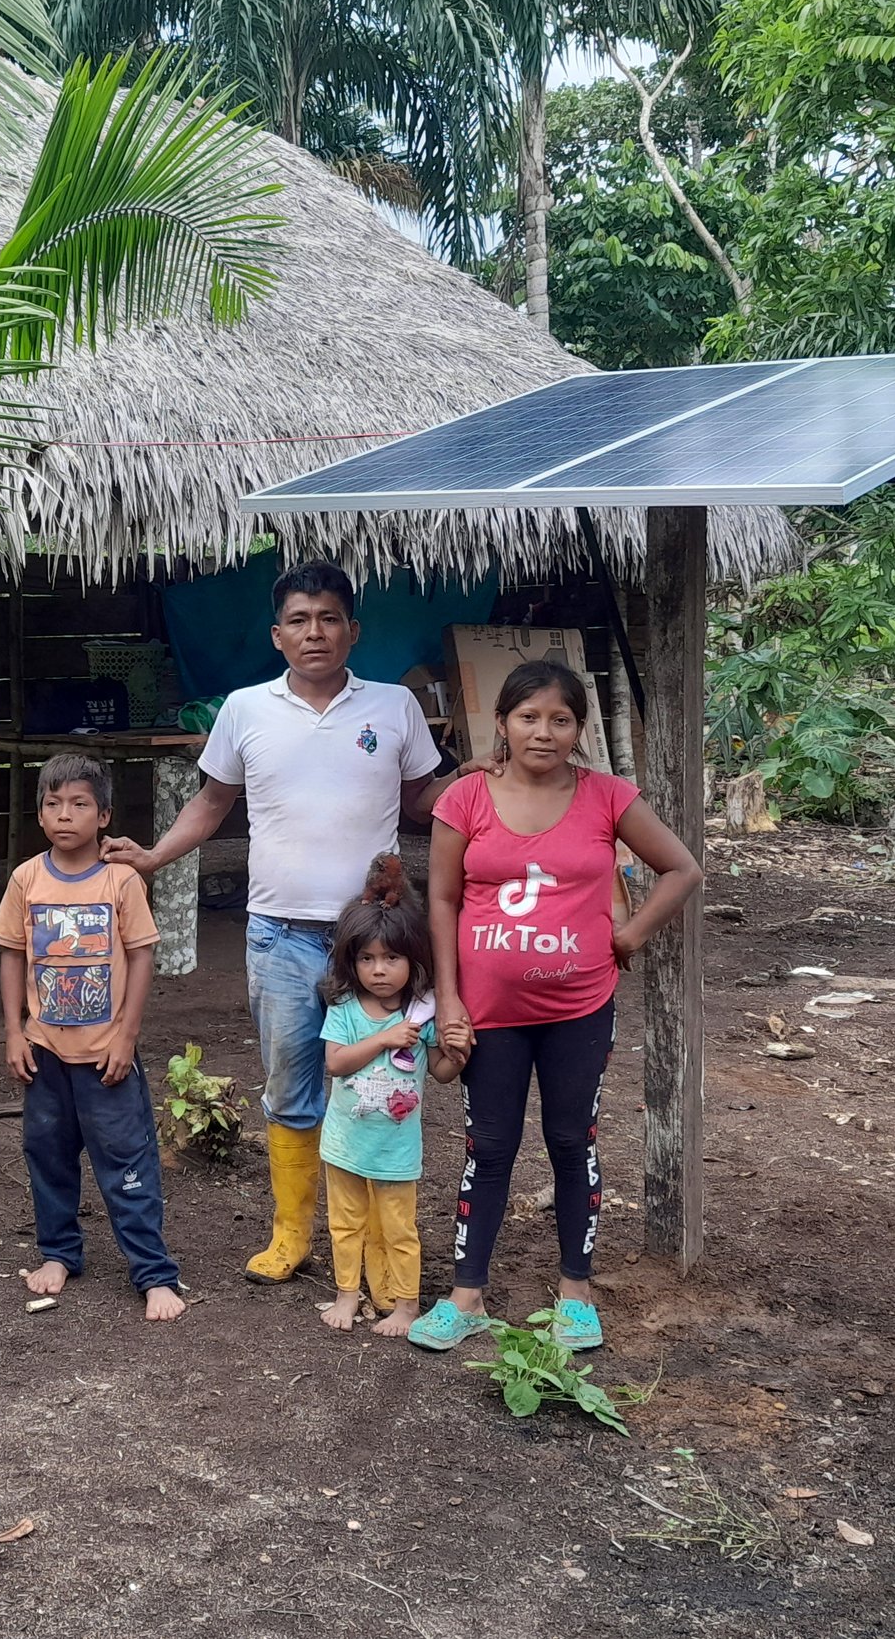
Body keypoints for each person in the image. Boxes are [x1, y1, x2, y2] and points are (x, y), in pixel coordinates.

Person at [104, 561, 450, 1285]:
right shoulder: (244, 708)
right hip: (280, 936)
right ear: (277, 633)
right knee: (291, 1086)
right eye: (299, 620)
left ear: (353, 630)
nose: (314, 632)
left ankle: (377, 1240)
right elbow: (210, 803)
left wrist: (489, 780)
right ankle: (293, 1232)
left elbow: (424, 800)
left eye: (329, 618)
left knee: (383, 1083)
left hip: (376, 937)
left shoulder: (393, 708)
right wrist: (153, 856)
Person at [408, 660, 702, 1355]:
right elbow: (443, 900)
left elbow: (683, 868)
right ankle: (466, 1296)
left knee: (572, 1140)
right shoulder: (468, 799)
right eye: (529, 717)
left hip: (579, 1005)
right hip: (489, 1008)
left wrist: (628, 934)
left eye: (560, 719)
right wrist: (448, 997)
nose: (544, 731)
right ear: (502, 723)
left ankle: (576, 1293)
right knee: (491, 1145)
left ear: (580, 727)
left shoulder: (608, 796)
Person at [0, 752, 186, 1323]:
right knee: (47, 1156)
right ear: (40, 813)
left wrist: (127, 1036)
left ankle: (153, 1274)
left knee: (127, 1163)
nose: (64, 815)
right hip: (45, 1053)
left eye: (79, 804)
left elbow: (142, 956)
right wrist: (14, 1033)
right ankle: (58, 1253)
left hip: (107, 1059)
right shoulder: (26, 879)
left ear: (104, 815)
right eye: (53, 804)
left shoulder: (120, 880)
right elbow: (11, 957)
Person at [315, 854, 466, 1335]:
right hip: (343, 1144)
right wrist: (383, 1038)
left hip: (398, 1150)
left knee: (401, 1229)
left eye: (392, 958)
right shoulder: (344, 1008)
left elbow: (440, 1073)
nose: (379, 970)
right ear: (351, 960)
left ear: (413, 959)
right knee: (345, 1224)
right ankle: (346, 1294)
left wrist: (457, 1053)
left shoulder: (423, 1013)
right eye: (367, 959)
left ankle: (404, 1304)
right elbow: (335, 1063)